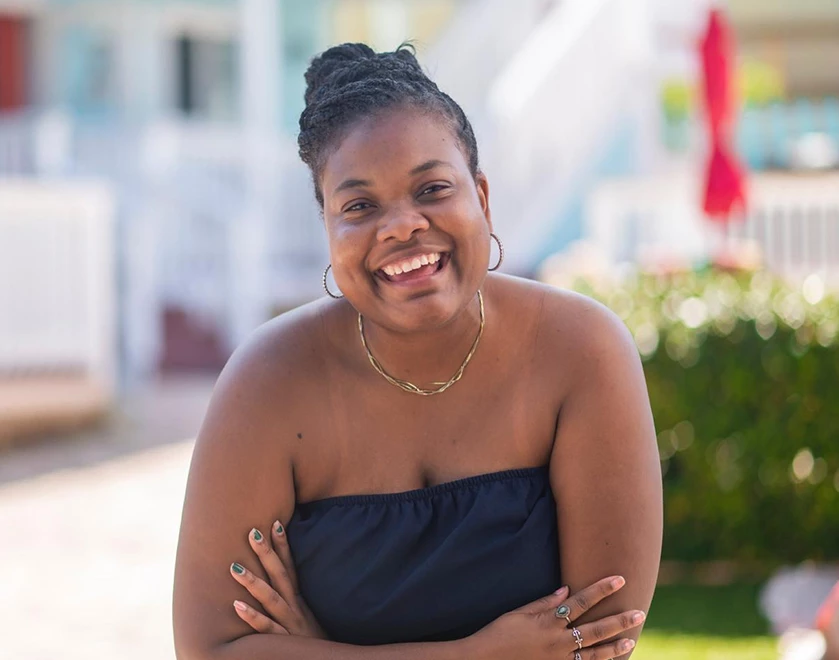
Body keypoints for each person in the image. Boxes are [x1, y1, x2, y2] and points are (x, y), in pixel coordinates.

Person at [173, 43, 663, 659]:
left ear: (481, 198)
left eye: (431, 189)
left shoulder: (582, 352)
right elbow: (212, 650)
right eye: (359, 206)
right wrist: (478, 655)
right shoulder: (267, 383)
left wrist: (323, 649)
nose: (401, 225)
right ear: (328, 228)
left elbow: (599, 641)